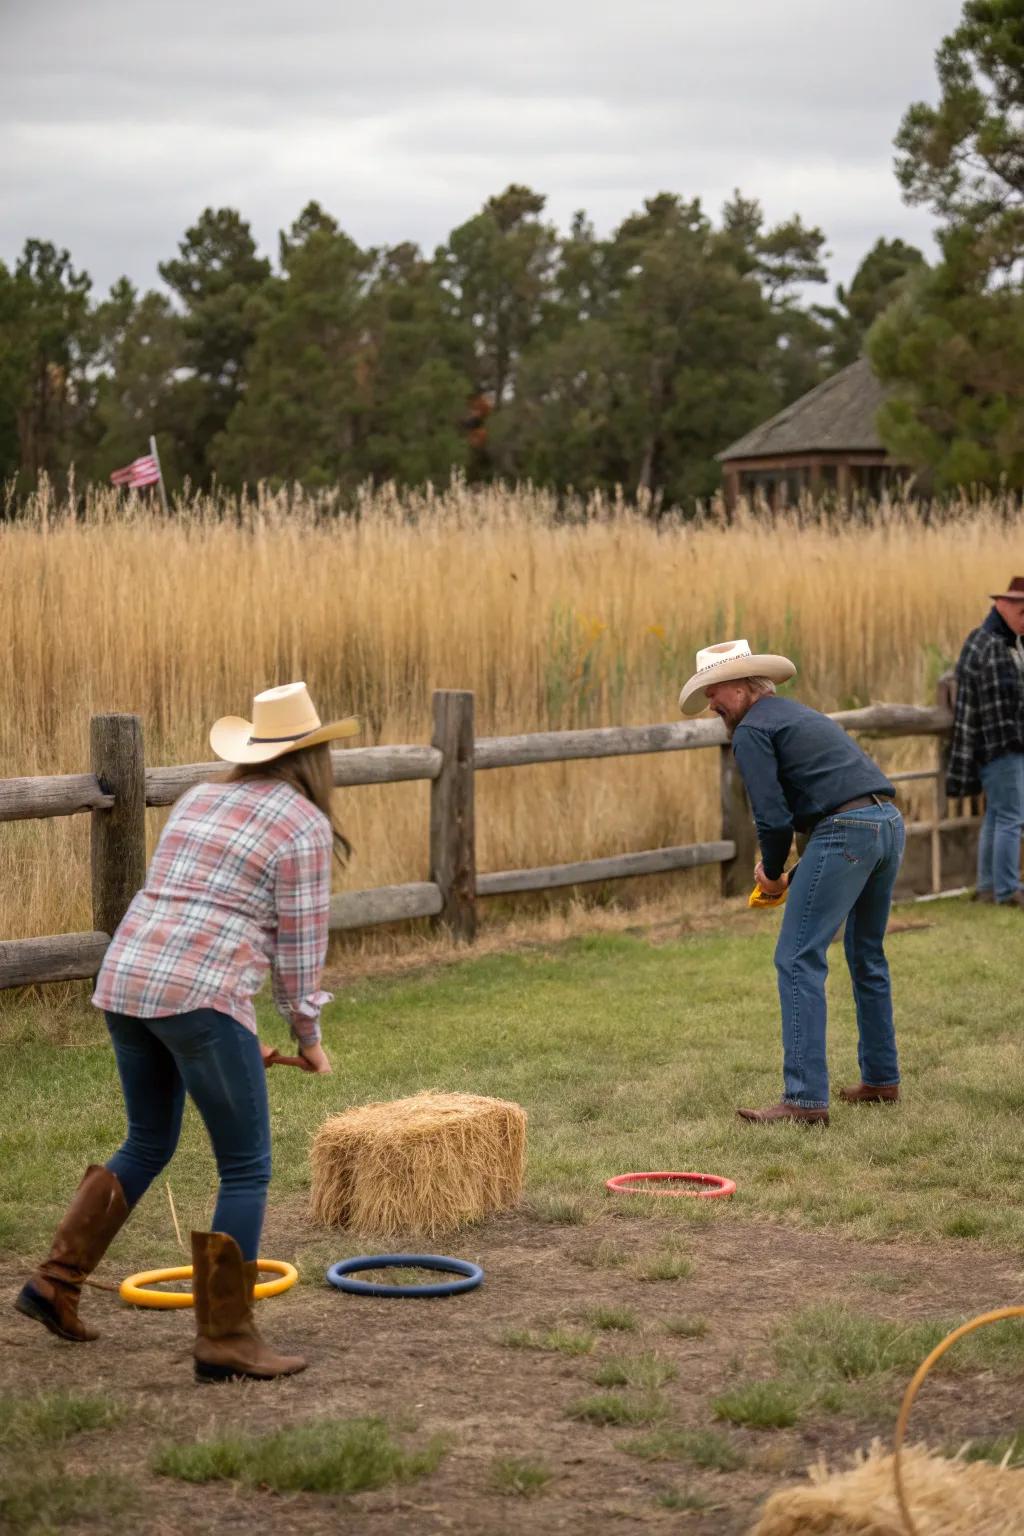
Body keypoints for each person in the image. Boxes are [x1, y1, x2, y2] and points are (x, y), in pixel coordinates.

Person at [15, 682, 358, 1382]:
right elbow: (297, 950)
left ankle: (54, 1283)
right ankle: (226, 1338)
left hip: (128, 980)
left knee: (148, 1139)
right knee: (246, 1166)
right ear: (315, 755)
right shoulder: (301, 824)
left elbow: (186, 904)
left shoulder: (202, 796)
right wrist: (308, 1036)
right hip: (198, 998)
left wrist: (226, 1035)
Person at [679, 640, 905, 1127]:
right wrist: (790, 869)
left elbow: (774, 817)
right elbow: (822, 795)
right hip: (886, 823)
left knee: (797, 957)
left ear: (741, 686)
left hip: (846, 831)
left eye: (715, 692)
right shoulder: (798, 715)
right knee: (866, 953)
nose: (711, 704)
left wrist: (774, 871)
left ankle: (803, 1100)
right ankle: (881, 1080)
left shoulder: (752, 730)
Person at [947, 577, 1024, 908]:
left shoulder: (993, 640)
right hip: (1002, 747)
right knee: (1011, 817)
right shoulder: (994, 646)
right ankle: (1006, 891)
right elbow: (1001, 711)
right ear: (1002, 605)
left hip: (991, 748)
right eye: (1022, 611)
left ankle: (988, 887)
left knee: (997, 816)